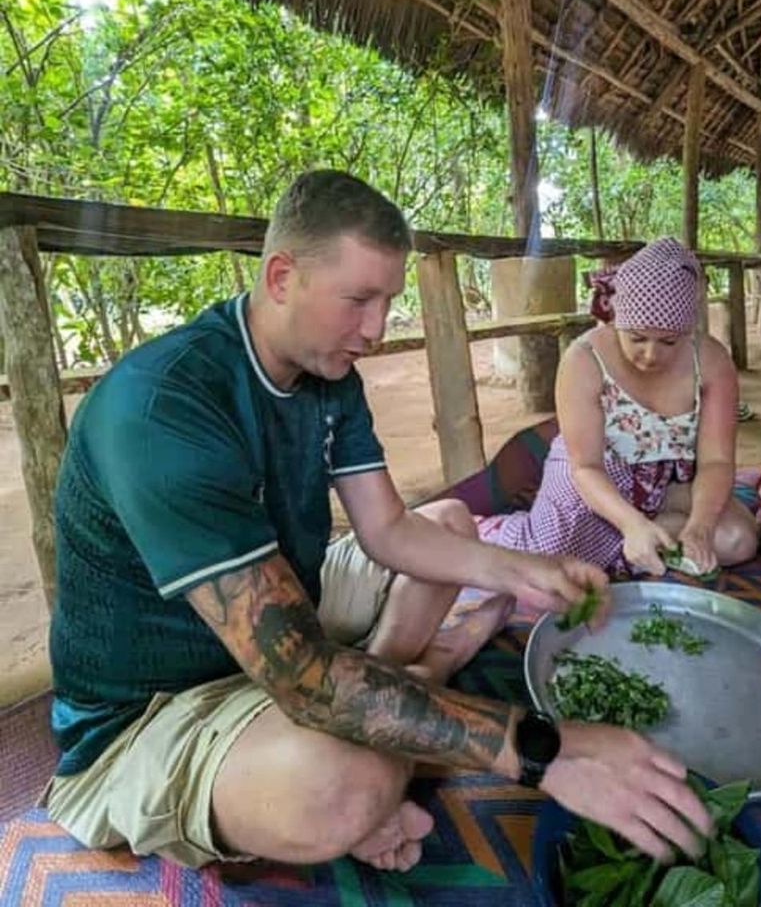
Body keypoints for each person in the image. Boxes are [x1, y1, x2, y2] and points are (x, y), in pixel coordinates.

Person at [44, 172, 713, 874]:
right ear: (281, 277)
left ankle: (393, 688)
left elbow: (390, 530)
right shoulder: (163, 413)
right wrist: (544, 750)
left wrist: (528, 571)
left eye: (388, 301)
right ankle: (387, 717)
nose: (375, 329)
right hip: (157, 707)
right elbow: (302, 674)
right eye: (358, 300)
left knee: (455, 524)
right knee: (341, 785)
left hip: (288, 605)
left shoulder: (329, 374)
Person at [481, 238, 758, 577]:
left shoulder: (711, 361)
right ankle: (498, 533)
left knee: (738, 540)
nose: (651, 355)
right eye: (637, 338)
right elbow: (585, 467)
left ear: (688, 330)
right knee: (550, 556)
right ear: (617, 321)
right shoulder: (585, 359)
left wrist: (700, 526)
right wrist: (630, 524)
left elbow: (716, 461)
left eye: (669, 341)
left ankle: (637, 543)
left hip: (665, 489)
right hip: (595, 484)